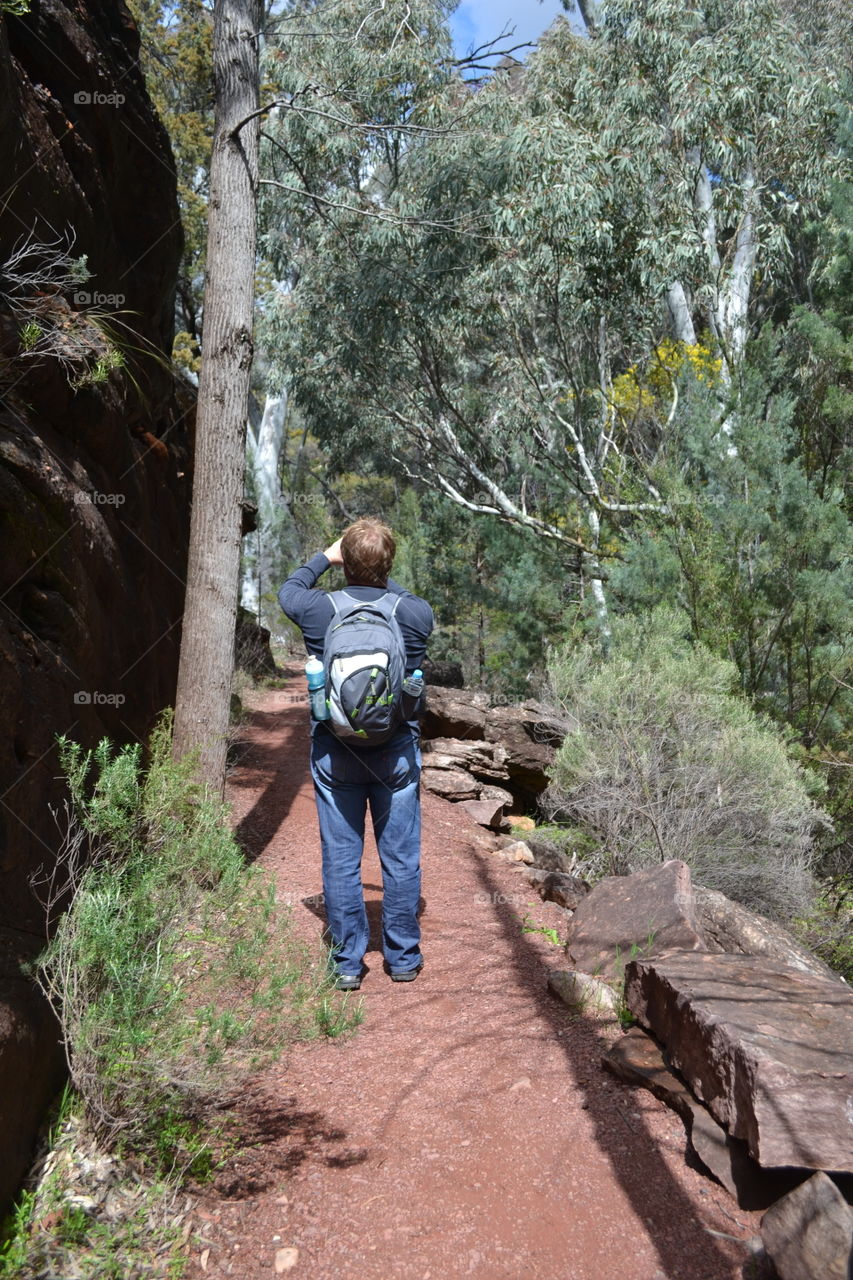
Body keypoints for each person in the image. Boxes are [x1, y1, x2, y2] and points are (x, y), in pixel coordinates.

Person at [278, 519, 434, 991]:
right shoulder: (414, 612)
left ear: (344, 562)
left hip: (335, 750)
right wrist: (377, 570)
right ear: (389, 565)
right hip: (396, 753)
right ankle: (402, 957)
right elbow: (405, 602)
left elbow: (289, 589)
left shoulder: (316, 609)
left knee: (341, 857)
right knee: (400, 858)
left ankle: (348, 963)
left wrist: (327, 557)